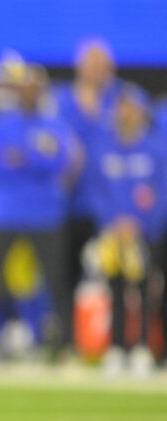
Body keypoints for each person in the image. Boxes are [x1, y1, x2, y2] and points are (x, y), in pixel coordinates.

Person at [0, 64, 78, 356]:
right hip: (6, 211)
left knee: (55, 281)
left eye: (35, 86)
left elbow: (61, 162)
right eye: (25, 86)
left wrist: (25, 158)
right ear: (18, 90)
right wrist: (38, 161)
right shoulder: (0, 123)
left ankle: (66, 345)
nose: (29, 91)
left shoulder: (54, 124)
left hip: (45, 214)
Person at [90, 84, 166, 377]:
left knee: (147, 292)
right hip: (113, 233)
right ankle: (117, 347)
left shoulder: (156, 149)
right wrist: (112, 222)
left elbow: (162, 193)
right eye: (122, 107)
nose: (126, 113)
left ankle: (145, 348)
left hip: (144, 234)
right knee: (116, 290)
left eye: (131, 107)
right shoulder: (104, 148)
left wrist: (142, 226)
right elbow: (96, 192)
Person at [51, 39, 121, 309]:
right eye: (90, 65)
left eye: (101, 65)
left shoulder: (123, 100)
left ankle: (109, 335)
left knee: (111, 272)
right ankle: (66, 333)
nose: (95, 71)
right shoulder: (60, 101)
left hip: (110, 203)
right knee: (64, 271)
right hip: (68, 203)